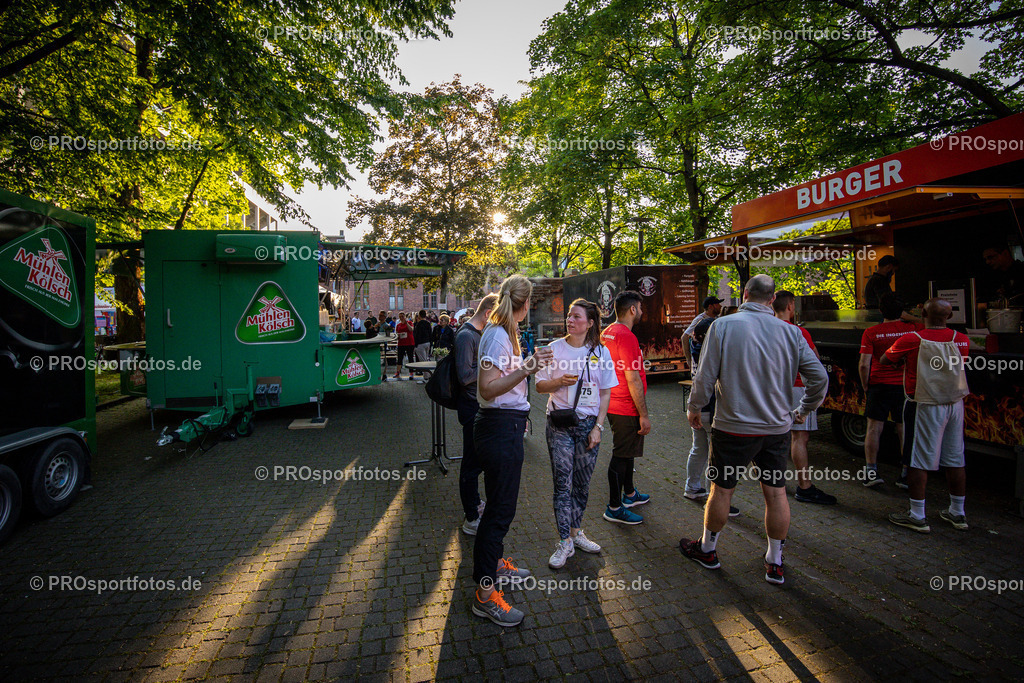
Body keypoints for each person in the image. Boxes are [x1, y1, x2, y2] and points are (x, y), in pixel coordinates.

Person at [680, 275, 827, 586]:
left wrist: (694, 408)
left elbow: (705, 376)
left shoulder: (723, 326)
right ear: (772, 300)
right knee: (776, 494)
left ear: (745, 293)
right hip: (776, 428)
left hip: (733, 427)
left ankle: (708, 550)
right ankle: (774, 561)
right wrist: (802, 411)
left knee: (721, 490)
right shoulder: (792, 333)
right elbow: (819, 379)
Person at [471, 276, 552, 627]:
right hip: (498, 428)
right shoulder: (497, 335)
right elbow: (487, 389)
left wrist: (527, 364)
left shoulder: (504, 332)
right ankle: (485, 596)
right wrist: (527, 368)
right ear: (525, 303)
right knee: (499, 513)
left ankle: (493, 567)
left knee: (498, 508)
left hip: (505, 427)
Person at [536, 299, 618, 569]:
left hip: (588, 427)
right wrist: (559, 382)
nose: (570, 321)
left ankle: (576, 532)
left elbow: (605, 391)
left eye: (577, 317)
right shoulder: (552, 349)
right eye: (569, 316)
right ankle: (564, 542)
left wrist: (599, 427)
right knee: (563, 484)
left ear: (591, 323)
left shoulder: (600, 352)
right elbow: (538, 386)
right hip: (559, 423)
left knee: (582, 485)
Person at [882, 298, 970, 533]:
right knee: (955, 457)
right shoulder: (961, 339)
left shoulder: (912, 339)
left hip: (924, 403)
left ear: (922, 313)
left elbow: (885, 359)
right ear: (949, 317)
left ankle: (917, 514)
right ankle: (957, 512)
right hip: (955, 403)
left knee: (917, 459)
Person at [772, 290, 835, 505]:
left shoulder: (765, 331)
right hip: (798, 387)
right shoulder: (799, 332)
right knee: (799, 437)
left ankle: (771, 479)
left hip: (772, 389)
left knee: (772, 435)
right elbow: (814, 361)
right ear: (790, 306)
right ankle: (804, 487)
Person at [858, 295, 922, 488]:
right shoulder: (913, 330)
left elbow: (863, 364)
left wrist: (865, 385)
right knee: (903, 428)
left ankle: (871, 472)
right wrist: (909, 316)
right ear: (901, 311)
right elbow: (928, 321)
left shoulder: (871, 332)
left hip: (879, 384)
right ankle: (905, 474)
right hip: (905, 386)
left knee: (873, 428)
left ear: (880, 311)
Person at [600, 291, 652, 525]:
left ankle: (629, 494)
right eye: (640, 307)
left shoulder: (607, 332)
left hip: (611, 402)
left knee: (627, 450)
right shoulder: (627, 337)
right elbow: (633, 378)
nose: (641, 311)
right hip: (625, 405)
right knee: (621, 455)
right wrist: (644, 415)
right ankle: (614, 506)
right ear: (632, 309)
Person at [682, 317, 741, 517]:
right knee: (715, 456)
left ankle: (692, 488)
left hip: (698, 407)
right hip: (711, 408)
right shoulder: (712, 353)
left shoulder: (695, 347)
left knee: (699, 448)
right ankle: (712, 498)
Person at [454, 294, 498, 536]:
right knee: (471, 464)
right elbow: (464, 376)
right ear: (489, 312)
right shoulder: (466, 336)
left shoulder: (477, 334)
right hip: (470, 408)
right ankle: (471, 517)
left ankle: (475, 505)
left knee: (477, 461)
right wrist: (490, 369)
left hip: (477, 405)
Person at [682, 296, 723, 372]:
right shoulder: (700, 319)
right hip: (701, 361)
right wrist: (689, 360)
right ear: (710, 307)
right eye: (717, 304)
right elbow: (684, 337)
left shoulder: (716, 319)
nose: (720, 306)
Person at [393, 312, 415, 380]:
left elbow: (411, 329)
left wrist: (406, 323)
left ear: (405, 317)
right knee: (399, 358)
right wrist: (398, 336)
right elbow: (396, 333)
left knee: (410, 358)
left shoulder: (410, 322)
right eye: (400, 316)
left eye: (402, 316)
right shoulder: (398, 325)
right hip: (401, 343)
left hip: (409, 343)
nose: (401, 318)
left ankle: (411, 372)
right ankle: (398, 372)